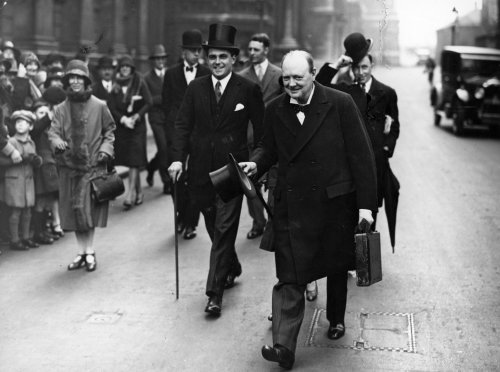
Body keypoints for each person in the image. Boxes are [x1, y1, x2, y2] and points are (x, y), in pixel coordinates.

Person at [239, 50, 377, 369]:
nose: (290, 84)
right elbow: (267, 147)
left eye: (297, 77)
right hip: (292, 205)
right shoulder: (275, 109)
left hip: (334, 203)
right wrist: (255, 163)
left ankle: (336, 318)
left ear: (313, 74)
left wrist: (366, 207)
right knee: (289, 275)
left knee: (336, 266)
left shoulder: (340, 103)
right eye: (285, 78)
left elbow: (361, 156)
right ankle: (283, 346)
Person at [168, 23, 264, 316]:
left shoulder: (248, 89)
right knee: (213, 225)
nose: (218, 63)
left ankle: (214, 293)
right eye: (213, 58)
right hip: (199, 171)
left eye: (224, 57)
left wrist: (257, 161)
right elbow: (182, 125)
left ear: (234, 59)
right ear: (206, 59)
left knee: (223, 229)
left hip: (231, 172)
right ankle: (231, 265)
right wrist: (176, 158)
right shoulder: (195, 88)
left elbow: (261, 132)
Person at [316, 32, 400, 233]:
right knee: (349, 211)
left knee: (371, 213)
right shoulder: (345, 92)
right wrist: (336, 66)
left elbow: (394, 125)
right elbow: (319, 87)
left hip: (376, 164)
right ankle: (352, 256)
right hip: (349, 163)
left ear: (372, 66)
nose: (361, 72)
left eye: (364, 67)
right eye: (356, 68)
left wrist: (386, 148)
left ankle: (368, 259)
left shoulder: (386, 93)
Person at [48, 59, 116, 272]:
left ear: (86, 81)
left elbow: (110, 131)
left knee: (89, 213)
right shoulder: (60, 109)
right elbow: (53, 131)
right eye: (72, 78)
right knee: (75, 213)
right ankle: (81, 251)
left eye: (79, 78)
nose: (75, 82)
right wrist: (56, 141)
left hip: (92, 168)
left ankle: (90, 251)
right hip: (69, 169)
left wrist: (106, 149)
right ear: (67, 82)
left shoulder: (99, 105)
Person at [162, 29, 211, 240]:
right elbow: (166, 104)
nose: (196, 54)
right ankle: (180, 216)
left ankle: (191, 223)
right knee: (175, 178)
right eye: (192, 50)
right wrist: (171, 131)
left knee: (196, 179)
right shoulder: (171, 74)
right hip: (177, 134)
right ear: (184, 52)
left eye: (199, 50)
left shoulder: (206, 73)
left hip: (199, 134)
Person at [238, 32, 282, 241]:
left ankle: (274, 222)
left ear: (266, 50)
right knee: (250, 183)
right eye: (250, 49)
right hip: (250, 137)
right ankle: (258, 222)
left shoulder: (279, 74)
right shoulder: (242, 75)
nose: (252, 53)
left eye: (256, 49)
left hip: (274, 137)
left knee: (274, 181)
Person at [108, 55, 152, 210]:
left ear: (132, 69)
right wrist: (122, 120)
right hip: (123, 128)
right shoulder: (116, 85)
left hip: (137, 127)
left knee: (134, 158)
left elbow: (149, 102)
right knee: (131, 159)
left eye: (128, 66)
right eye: (122, 66)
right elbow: (111, 107)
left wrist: (137, 116)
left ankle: (130, 194)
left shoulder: (139, 82)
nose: (125, 69)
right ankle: (139, 192)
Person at [5, 110, 42, 251]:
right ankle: (15, 240)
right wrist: (21, 158)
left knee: (27, 211)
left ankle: (26, 238)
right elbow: (7, 159)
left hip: (27, 180)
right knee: (16, 211)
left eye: (24, 122)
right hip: (14, 180)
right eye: (17, 122)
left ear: (30, 126)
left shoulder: (31, 142)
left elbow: (35, 158)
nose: (19, 125)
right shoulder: (11, 141)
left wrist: (37, 160)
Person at [31, 100, 63, 245]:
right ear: (35, 115)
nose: (44, 116)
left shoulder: (48, 127)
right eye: (41, 113)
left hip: (49, 165)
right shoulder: (35, 127)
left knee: (46, 199)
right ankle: (39, 233)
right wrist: (48, 116)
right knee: (41, 200)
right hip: (41, 167)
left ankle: (44, 230)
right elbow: (36, 129)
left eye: (45, 112)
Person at [144, 44, 170, 193]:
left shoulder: (171, 74)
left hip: (169, 117)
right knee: (163, 147)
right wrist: (165, 98)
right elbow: (149, 99)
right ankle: (166, 182)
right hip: (155, 117)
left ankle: (151, 166)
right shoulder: (147, 78)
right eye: (157, 58)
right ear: (153, 61)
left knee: (167, 148)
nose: (160, 61)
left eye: (162, 58)